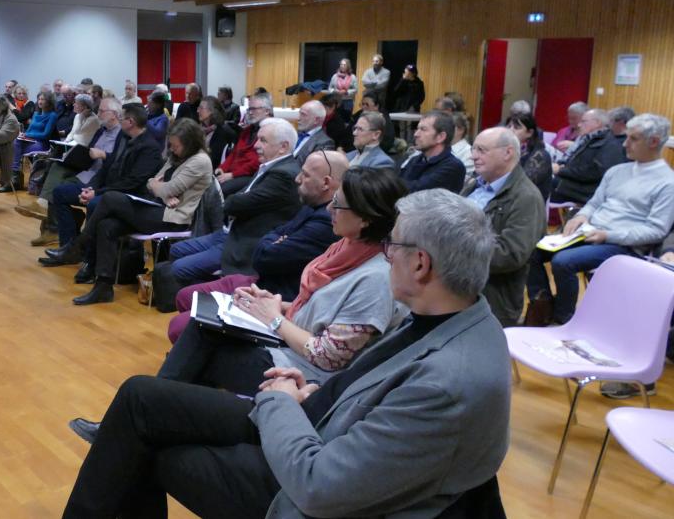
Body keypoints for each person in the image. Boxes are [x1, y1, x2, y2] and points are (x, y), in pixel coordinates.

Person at [62, 188, 510, 519]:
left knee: (145, 450)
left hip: (306, 478)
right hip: (312, 417)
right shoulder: (447, 317)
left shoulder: (448, 381)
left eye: (393, 246)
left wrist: (279, 400)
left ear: (420, 263)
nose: (385, 255)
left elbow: (320, 486)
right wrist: (307, 389)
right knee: (141, 397)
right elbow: (364, 386)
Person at [156, 166, 406, 396]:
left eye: (338, 204)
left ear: (366, 219)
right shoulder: (346, 246)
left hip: (304, 376)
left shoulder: (376, 279)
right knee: (205, 326)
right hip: (289, 349)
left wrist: (273, 318)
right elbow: (324, 313)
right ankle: (163, 407)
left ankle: (158, 403)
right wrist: (278, 305)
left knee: (201, 346)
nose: (329, 208)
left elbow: (328, 357)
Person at [166, 150, 347, 342]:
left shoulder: (326, 222)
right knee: (185, 296)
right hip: (257, 277)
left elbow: (266, 256)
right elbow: (274, 236)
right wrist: (276, 239)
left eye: (306, 175)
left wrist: (276, 239)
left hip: (273, 294)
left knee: (178, 326)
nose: (298, 178)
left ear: (326, 183)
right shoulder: (311, 204)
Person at [528, 113, 674, 327]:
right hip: (591, 232)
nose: (625, 144)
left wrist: (608, 235)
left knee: (563, 262)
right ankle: (544, 306)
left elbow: (656, 230)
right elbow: (594, 202)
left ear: (653, 142)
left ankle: (563, 319)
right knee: (532, 252)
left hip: (624, 244)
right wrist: (580, 216)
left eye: (633, 139)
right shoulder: (617, 171)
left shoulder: (667, 182)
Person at [66, 120, 213, 305]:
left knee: (111, 198)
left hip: (174, 218)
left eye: (176, 146)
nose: (172, 150)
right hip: (160, 208)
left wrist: (162, 190)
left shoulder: (199, 161)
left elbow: (167, 188)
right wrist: (162, 191)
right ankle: (103, 287)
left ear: (189, 143)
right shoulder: (179, 156)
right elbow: (151, 181)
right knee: (107, 225)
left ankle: (80, 244)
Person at [169, 118, 301, 285]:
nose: (256, 146)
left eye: (263, 141)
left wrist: (232, 202)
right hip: (230, 232)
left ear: (283, 147)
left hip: (244, 243)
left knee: (179, 268)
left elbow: (234, 204)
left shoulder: (283, 175)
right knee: (176, 249)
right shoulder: (271, 167)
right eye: (257, 139)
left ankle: (210, 296)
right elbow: (241, 198)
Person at [40, 103, 164, 270]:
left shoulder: (148, 147)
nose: (120, 121)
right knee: (60, 192)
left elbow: (132, 183)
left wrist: (97, 192)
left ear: (131, 121)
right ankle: (69, 247)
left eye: (122, 117)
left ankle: (86, 256)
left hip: (130, 198)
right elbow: (112, 168)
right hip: (106, 186)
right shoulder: (127, 139)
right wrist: (94, 189)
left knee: (95, 203)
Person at [462, 127, 545, 326]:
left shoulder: (526, 197)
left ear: (507, 153)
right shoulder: (475, 184)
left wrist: (453, 250)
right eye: (474, 150)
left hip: (489, 296)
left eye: (481, 150)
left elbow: (510, 254)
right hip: (456, 282)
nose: (473, 156)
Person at [21, 98, 124, 246]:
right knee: (57, 166)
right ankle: (49, 215)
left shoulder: (122, 135)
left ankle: (56, 228)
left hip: (99, 177)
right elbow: (89, 150)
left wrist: (103, 155)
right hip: (87, 168)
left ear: (114, 114)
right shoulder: (101, 131)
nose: (98, 114)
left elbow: (119, 162)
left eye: (102, 111)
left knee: (58, 191)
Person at [550, 108, 627, 206]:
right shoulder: (590, 139)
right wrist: (560, 165)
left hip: (581, 192)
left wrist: (561, 171)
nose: (579, 125)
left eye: (583, 121)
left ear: (597, 123)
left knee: (538, 187)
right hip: (569, 184)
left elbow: (594, 172)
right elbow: (574, 161)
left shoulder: (610, 144)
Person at [214, 92, 273, 196]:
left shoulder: (271, 131)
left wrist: (232, 175)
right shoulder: (248, 130)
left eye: (254, 109)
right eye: (249, 109)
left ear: (267, 111)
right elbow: (234, 153)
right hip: (234, 173)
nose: (250, 112)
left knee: (217, 191)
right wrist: (222, 168)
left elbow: (258, 162)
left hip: (251, 176)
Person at [399, 111, 465, 193]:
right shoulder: (416, 159)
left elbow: (416, 191)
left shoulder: (453, 167)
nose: (416, 134)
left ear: (440, 137)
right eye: (417, 129)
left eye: (423, 129)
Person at [11, 91, 57, 186]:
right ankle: (15, 172)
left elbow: (45, 135)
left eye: (43, 99)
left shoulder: (52, 115)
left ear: (49, 101)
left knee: (16, 148)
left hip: (42, 144)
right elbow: (29, 130)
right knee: (16, 141)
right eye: (39, 99)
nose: (40, 101)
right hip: (30, 140)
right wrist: (24, 134)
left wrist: (29, 135)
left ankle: (15, 173)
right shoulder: (36, 114)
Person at [504, 112, 551, 200]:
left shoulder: (540, 155)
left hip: (528, 203)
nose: (510, 130)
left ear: (529, 133)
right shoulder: (504, 150)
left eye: (516, 127)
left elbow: (522, 184)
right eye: (509, 126)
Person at [197, 95, 235, 171]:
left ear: (211, 111)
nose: (198, 111)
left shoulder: (222, 132)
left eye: (201, 108)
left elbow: (214, 160)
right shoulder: (199, 129)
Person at [292, 100, 335, 166]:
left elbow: (313, 168)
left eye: (303, 115)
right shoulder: (294, 134)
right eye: (299, 114)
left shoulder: (325, 142)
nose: (298, 118)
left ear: (316, 120)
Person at [391, 64, 426, 142]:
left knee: (410, 127)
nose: (406, 73)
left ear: (413, 73)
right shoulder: (403, 81)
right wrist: (403, 80)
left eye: (407, 72)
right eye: (405, 71)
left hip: (413, 107)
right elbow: (396, 92)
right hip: (402, 107)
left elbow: (422, 96)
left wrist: (414, 105)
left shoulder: (419, 83)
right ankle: (403, 143)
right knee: (402, 127)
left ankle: (410, 143)